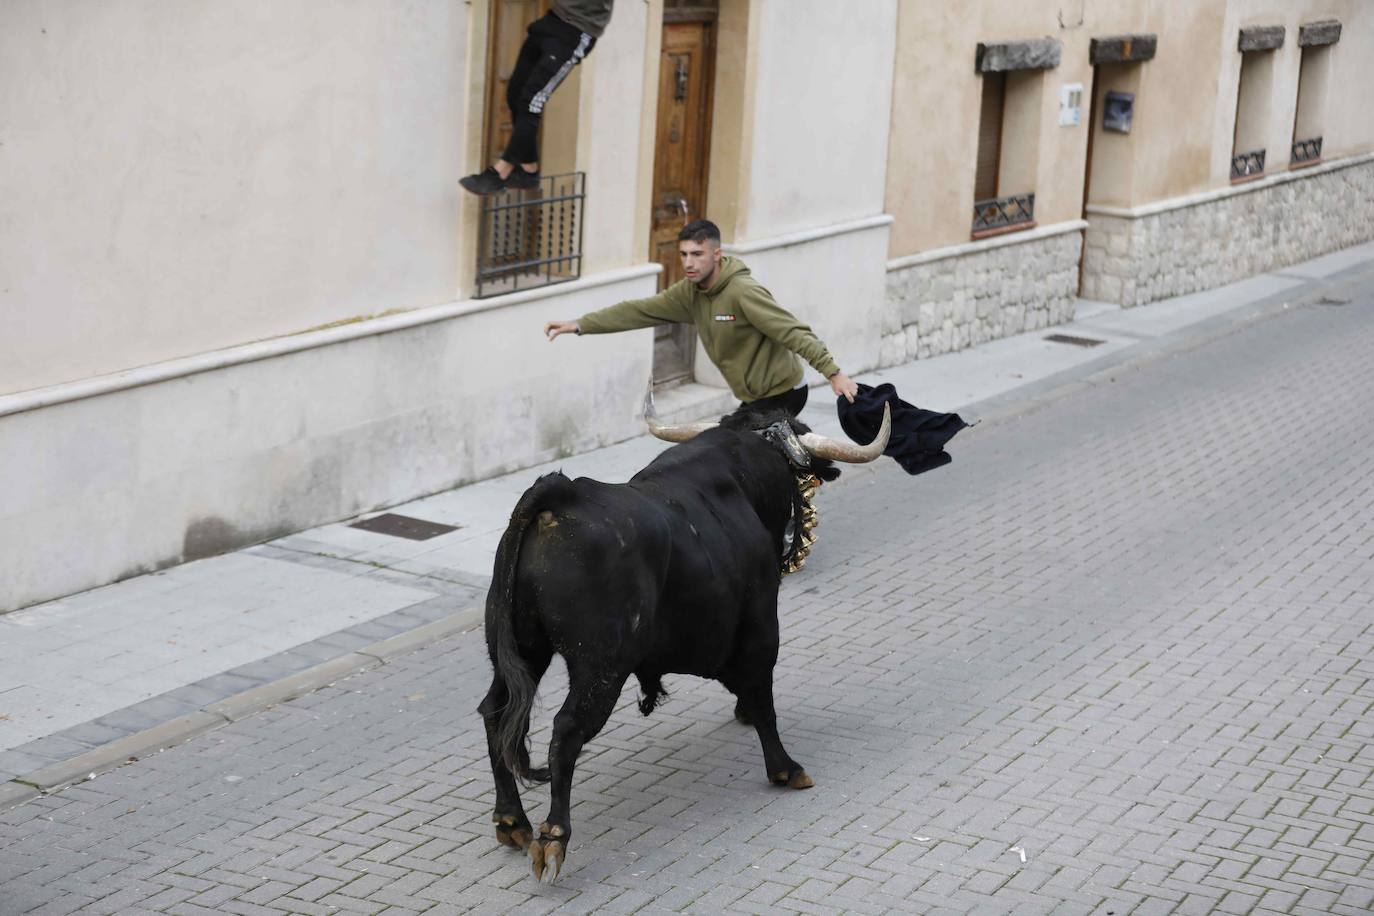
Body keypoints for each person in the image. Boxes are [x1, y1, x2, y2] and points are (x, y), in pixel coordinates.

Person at [545, 220, 859, 414]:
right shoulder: (689, 293)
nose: (689, 263)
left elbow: (793, 332)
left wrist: (834, 373)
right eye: (683, 255)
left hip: (784, 392)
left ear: (716, 255)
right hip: (753, 396)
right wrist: (580, 324)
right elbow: (638, 311)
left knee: (746, 459)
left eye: (697, 254)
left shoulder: (742, 291)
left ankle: (796, 512)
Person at [460, 1, 614, 196]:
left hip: (575, 31)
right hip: (553, 19)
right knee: (515, 92)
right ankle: (528, 169)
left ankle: (499, 173)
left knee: (531, 101)